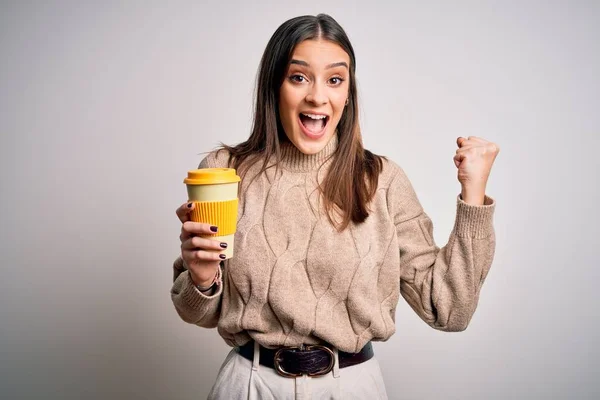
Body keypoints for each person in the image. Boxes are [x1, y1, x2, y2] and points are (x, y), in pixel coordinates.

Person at [171, 13, 499, 400]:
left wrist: (473, 193)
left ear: (348, 93)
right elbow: (196, 311)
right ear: (274, 86)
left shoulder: (382, 180)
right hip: (249, 386)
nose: (317, 96)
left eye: (335, 79)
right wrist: (203, 278)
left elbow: (449, 309)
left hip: (352, 388)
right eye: (298, 77)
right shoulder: (224, 172)